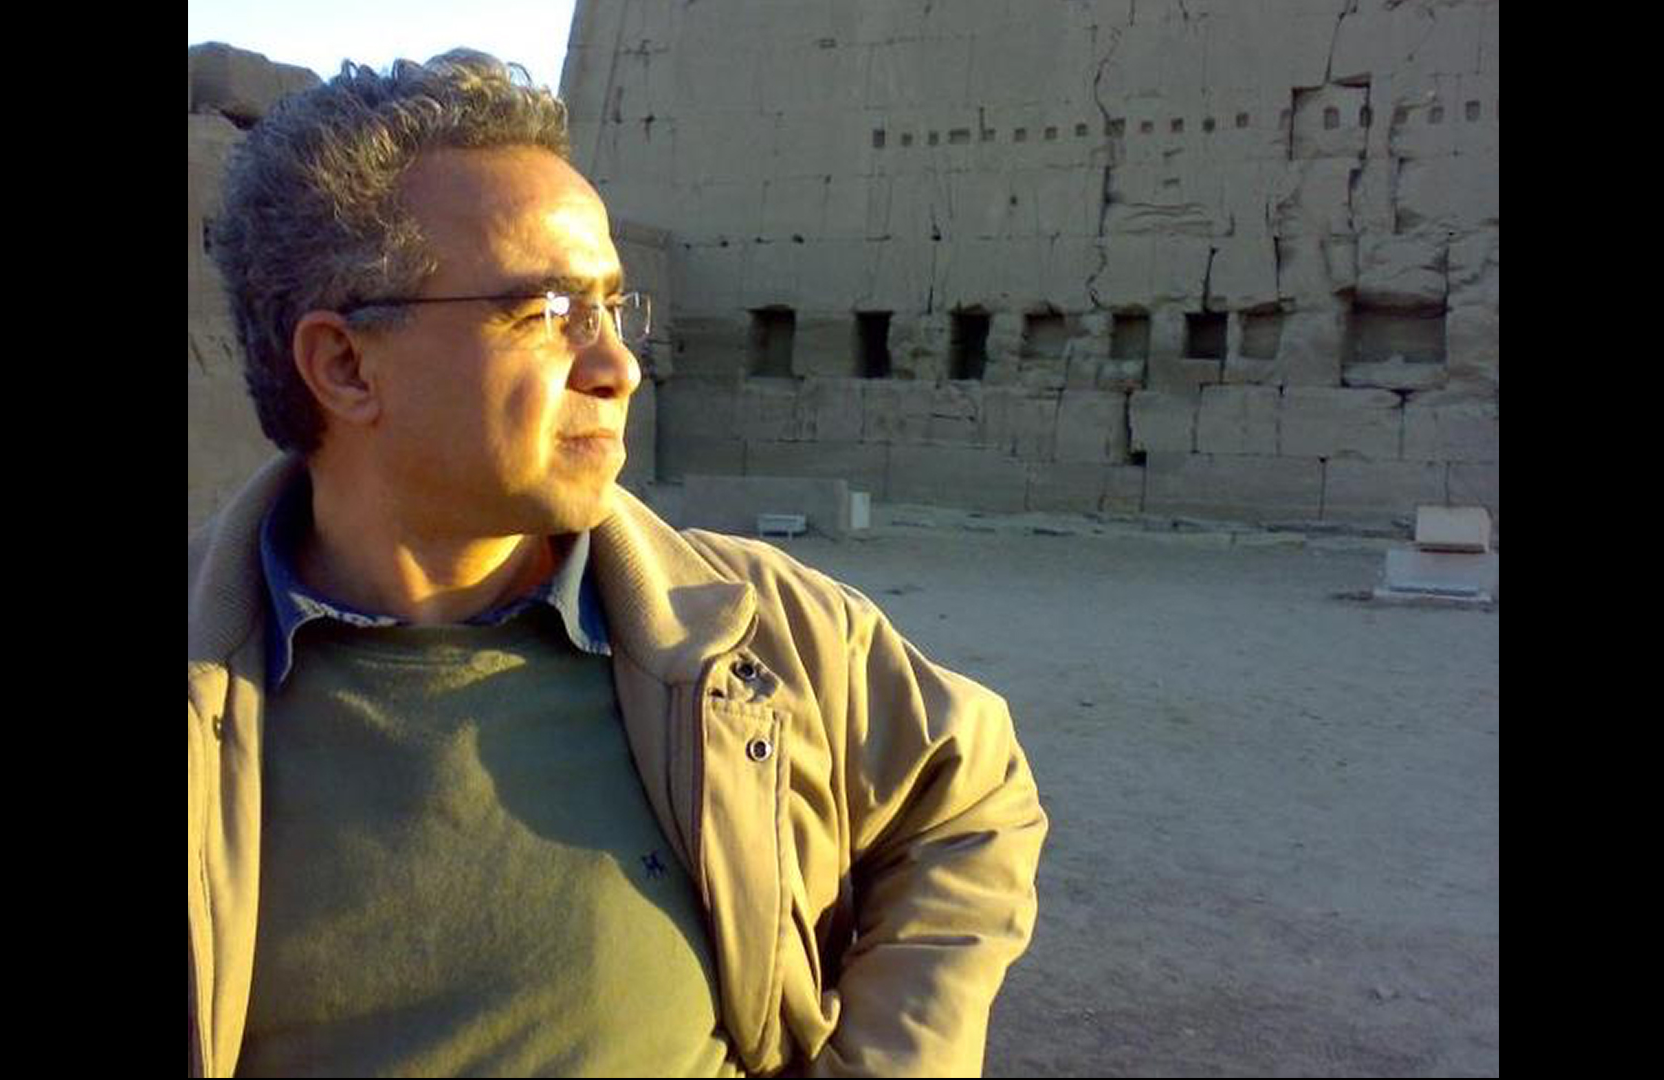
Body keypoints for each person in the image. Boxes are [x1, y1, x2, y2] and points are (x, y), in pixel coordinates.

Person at [188, 49, 1046, 1078]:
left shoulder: (760, 631)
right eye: (550, 315)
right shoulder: (210, 691)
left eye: (612, 309)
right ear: (344, 365)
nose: (619, 366)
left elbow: (971, 799)